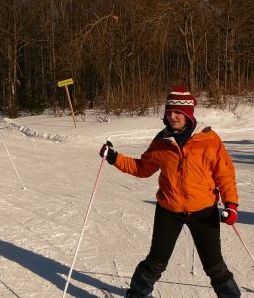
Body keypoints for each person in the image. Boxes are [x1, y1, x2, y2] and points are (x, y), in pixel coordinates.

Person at [99, 86, 240, 298]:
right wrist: (114, 157)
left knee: (215, 266)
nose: (172, 117)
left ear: (188, 114)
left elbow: (225, 174)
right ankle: (136, 295)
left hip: (203, 210)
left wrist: (231, 204)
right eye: (169, 112)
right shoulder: (161, 141)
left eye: (178, 112)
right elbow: (142, 168)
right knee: (155, 262)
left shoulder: (209, 140)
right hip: (169, 209)